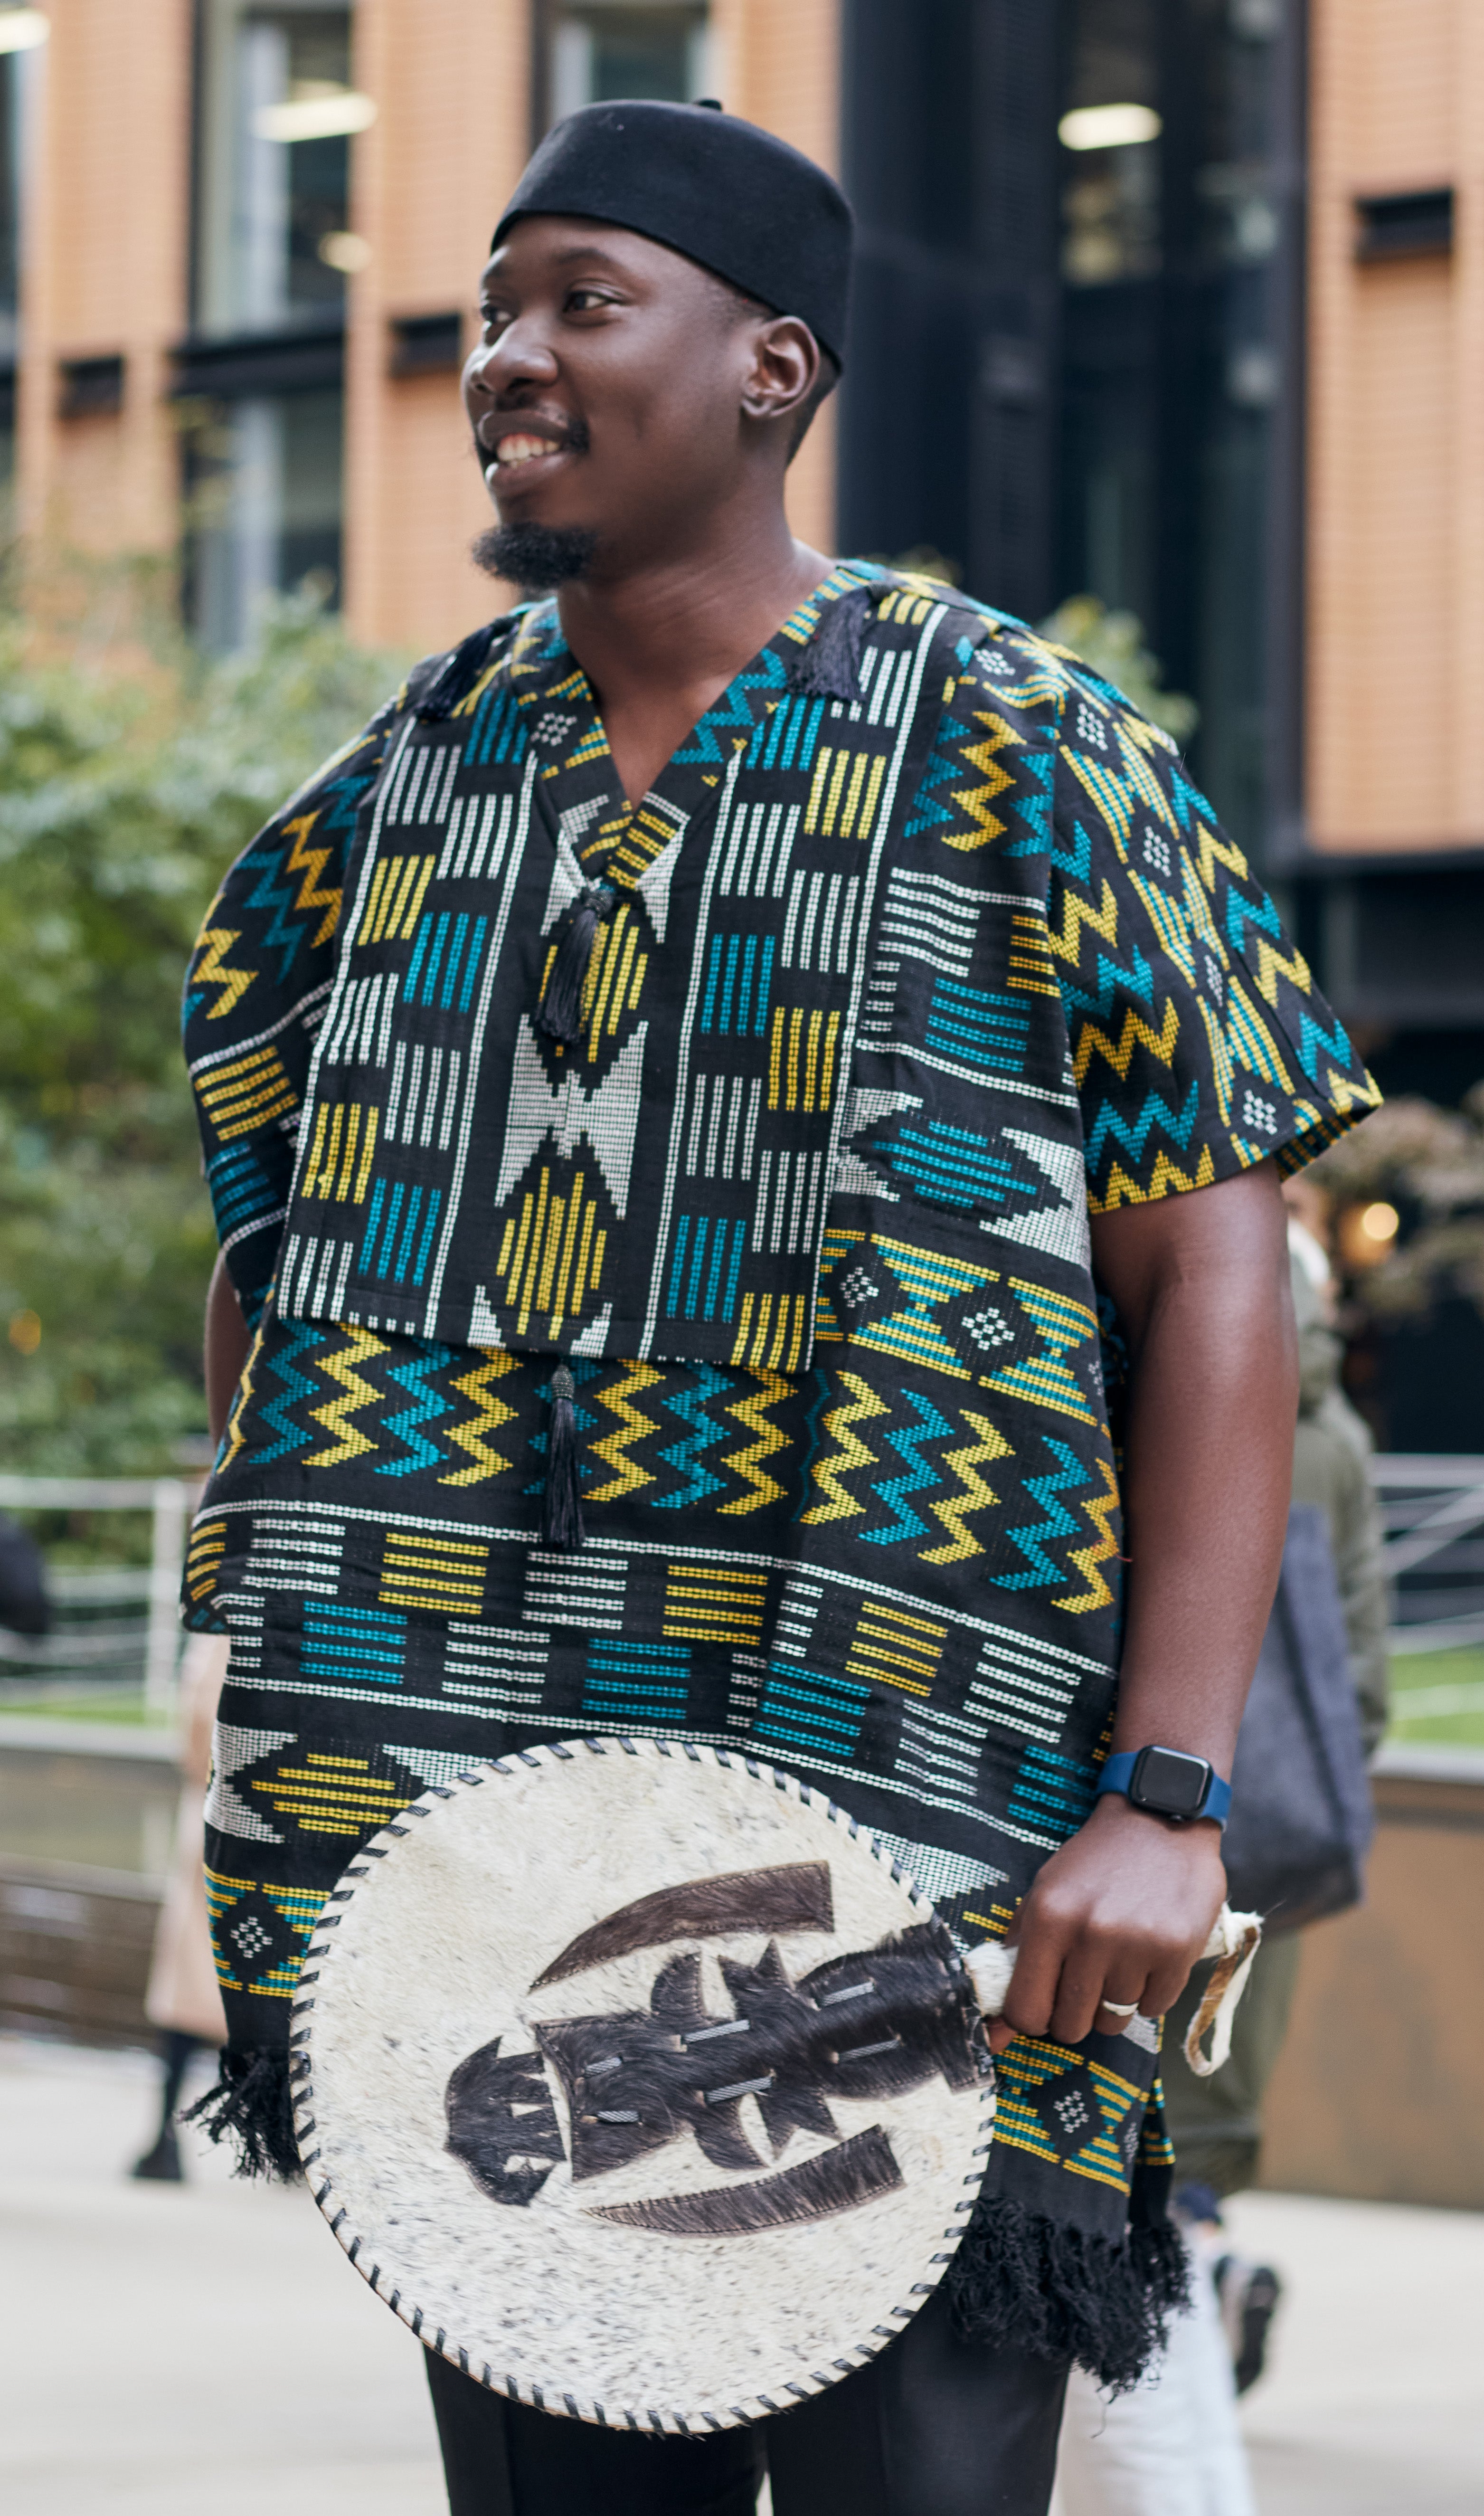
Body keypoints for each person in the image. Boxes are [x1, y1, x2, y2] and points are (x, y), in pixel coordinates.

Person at [179, 97, 1378, 2516]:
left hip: (934, 1861)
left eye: (580, 302)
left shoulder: (1030, 753)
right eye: (493, 311)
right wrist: (295, 1670)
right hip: (493, 1893)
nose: (509, 357)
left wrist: (1161, 1795)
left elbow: (1210, 1276)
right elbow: (262, 1279)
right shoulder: (374, 806)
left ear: (770, 368)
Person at [1051, 1188, 1391, 2510]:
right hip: (1235, 1881)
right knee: (1167, 2204)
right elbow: (1358, 1695)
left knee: (1117, 2228)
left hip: (1085, 1861)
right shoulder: (1335, 1441)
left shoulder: (1109, 1391)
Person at [131, 1631, 228, 2180]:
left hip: (222, 1814)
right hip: (298, 1821)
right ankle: (290, 2140)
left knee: (188, 1980)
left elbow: (198, 1714)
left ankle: (164, 2135)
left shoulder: (225, 1616)